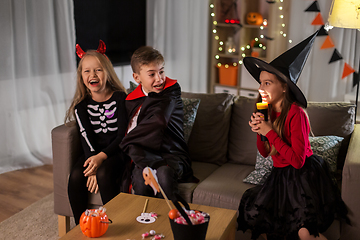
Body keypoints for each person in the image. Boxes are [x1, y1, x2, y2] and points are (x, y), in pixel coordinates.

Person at [237, 32, 349, 239]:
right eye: (260, 83)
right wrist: (259, 132)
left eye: (267, 83)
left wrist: (269, 131)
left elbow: (297, 161)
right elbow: (264, 153)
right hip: (280, 175)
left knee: (304, 229)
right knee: (261, 217)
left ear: (284, 86)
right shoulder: (266, 109)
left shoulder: (297, 114)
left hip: (303, 174)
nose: (260, 88)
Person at [64, 40, 128, 224]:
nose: (93, 74)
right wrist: (92, 165)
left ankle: (116, 222)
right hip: (91, 152)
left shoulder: (120, 98)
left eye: (98, 69)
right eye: (87, 71)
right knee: (77, 175)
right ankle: (81, 225)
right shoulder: (81, 106)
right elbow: (86, 138)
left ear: (107, 72)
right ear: (81, 77)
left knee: (104, 174)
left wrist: (101, 159)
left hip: (116, 151)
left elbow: (122, 135)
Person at [120, 46, 195, 201]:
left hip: (171, 153)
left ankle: (175, 218)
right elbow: (128, 128)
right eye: (152, 74)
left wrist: (128, 142)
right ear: (137, 78)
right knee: (140, 181)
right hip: (144, 153)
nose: (159, 78)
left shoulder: (171, 91)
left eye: (161, 71)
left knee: (164, 174)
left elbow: (159, 121)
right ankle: (147, 220)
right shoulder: (131, 100)